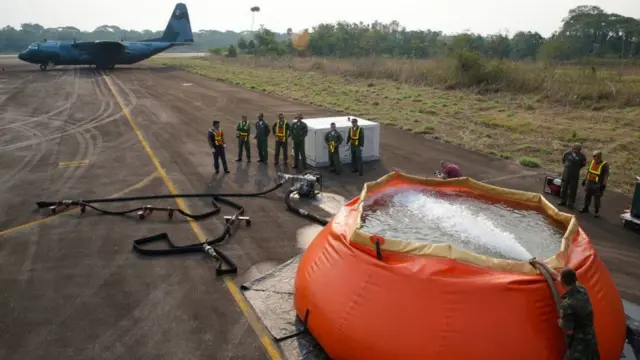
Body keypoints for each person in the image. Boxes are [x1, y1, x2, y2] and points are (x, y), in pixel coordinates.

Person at [558, 268, 600, 360]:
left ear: (562, 282)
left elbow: (569, 331)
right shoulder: (582, 289)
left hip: (579, 347)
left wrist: (560, 322)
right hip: (591, 341)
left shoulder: (567, 305)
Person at [580, 150, 609, 218]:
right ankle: (585, 208)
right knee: (587, 196)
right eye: (594, 157)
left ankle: (596, 211)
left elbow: (606, 175)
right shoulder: (592, 162)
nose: (595, 158)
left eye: (596, 157)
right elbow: (589, 171)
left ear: (599, 157)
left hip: (598, 184)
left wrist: (604, 184)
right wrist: (584, 179)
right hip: (589, 182)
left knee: (597, 198)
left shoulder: (604, 164)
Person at [559, 144, 586, 209]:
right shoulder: (567, 153)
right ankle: (563, 200)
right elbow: (563, 161)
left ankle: (570, 203)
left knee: (572, 189)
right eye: (577, 148)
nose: (578, 150)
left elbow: (582, 164)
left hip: (574, 175)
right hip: (566, 174)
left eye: (579, 149)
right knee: (564, 188)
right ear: (573, 148)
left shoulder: (582, 156)